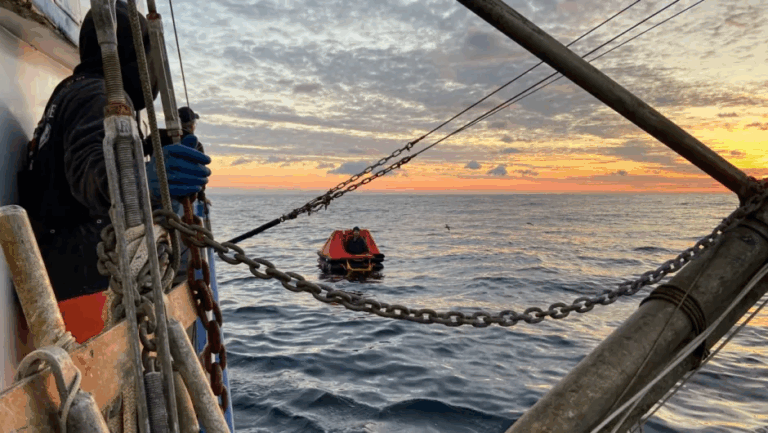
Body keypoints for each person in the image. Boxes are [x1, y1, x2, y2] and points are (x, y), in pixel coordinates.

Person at [18, 1, 211, 343]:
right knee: (182, 246)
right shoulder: (99, 96)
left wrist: (154, 145)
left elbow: (91, 154)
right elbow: (93, 174)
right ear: (133, 56)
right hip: (85, 290)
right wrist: (150, 180)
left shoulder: (72, 90)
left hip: (59, 271)